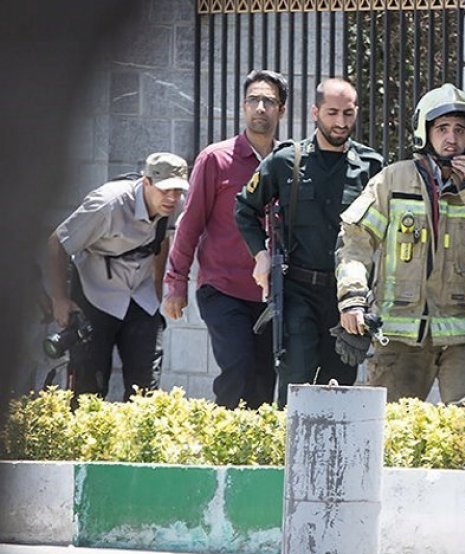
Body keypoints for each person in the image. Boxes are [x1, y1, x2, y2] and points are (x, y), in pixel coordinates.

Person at [335, 83, 465, 456]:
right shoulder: (392, 180)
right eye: (442, 129)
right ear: (425, 131)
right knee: (389, 436)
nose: (452, 139)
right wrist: (352, 300)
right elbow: (355, 244)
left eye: (459, 130)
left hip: (462, 336)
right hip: (399, 336)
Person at [235, 78, 383, 407]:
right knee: (297, 386)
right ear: (315, 112)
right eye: (332, 113)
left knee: (339, 389)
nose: (341, 122)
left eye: (348, 113)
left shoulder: (372, 167)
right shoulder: (286, 160)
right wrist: (260, 254)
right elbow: (245, 208)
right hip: (298, 291)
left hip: (346, 297)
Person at [163, 69, 288, 409]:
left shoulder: (289, 162)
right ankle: (224, 439)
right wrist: (176, 283)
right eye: (253, 100)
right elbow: (189, 224)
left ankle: (254, 454)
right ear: (243, 107)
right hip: (222, 288)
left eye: (269, 101)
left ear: (281, 110)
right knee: (237, 366)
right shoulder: (216, 159)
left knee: (265, 379)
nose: (260, 107)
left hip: (270, 294)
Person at [47, 152, 188, 399]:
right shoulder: (108, 203)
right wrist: (59, 298)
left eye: (177, 190)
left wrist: (157, 290)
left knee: (147, 388)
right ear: (147, 183)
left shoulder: (177, 205)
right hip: (95, 293)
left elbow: (162, 241)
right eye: (165, 190)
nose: (172, 197)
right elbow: (57, 242)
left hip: (140, 295)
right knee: (88, 385)